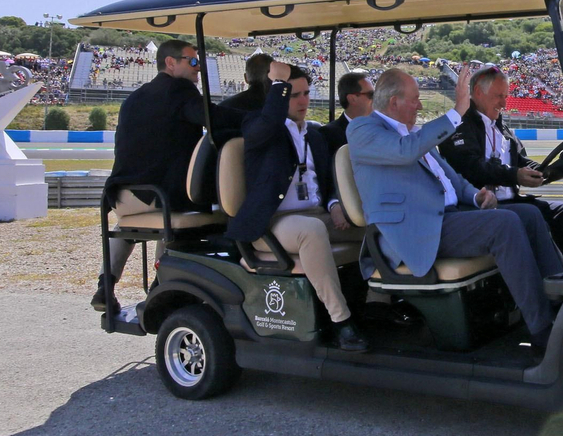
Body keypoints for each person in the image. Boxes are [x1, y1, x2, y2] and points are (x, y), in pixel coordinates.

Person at [348, 65, 563, 353]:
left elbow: (450, 177)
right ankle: (542, 330)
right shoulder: (364, 129)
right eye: (415, 99)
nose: (420, 105)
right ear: (394, 102)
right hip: (415, 229)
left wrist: (476, 196)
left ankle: (559, 299)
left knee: (528, 214)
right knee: (504, 224)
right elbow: (404, 152)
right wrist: (458, 110)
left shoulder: (412, 133)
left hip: (446, 218)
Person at [227, 62, 366, 352]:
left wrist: (334, 204)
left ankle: (378, 303)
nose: (303, 101)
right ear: (276, 97)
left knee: (371, 227)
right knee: (312, 230)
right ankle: (342, 320)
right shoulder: (257, 125)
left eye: (305, 93)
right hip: (275, 221)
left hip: (316, 214)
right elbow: (266, 126)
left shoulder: (314, 135)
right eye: (293, 95)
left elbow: (326, 183)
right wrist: (278, 86)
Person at [94, 39, 239, 310]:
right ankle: (160, 288)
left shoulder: (134, 98)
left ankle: (105, 286)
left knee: (128, 225)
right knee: (183, 223)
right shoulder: (180, 90)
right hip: (157, 195)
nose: (198, 69)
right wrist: (256, 119)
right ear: (171, 63)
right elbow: (213, 117)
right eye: (192, 62)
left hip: (121, 195)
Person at [441, 65, 563, 267]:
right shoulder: (458, 126)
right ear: (478, 92)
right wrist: (514, 176)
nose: (504, 103)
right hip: (482, 206)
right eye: (499, 96)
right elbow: (471, 167)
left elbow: (520, 161)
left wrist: (552, 170)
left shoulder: (501, 126)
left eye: (506, 96)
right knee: (533, 215)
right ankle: (552, 278)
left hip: (512, 201)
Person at [320, 69, 374, 154]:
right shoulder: (328, 135)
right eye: (371, 95)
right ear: (352, 99)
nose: (375, 99)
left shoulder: (379, 129)